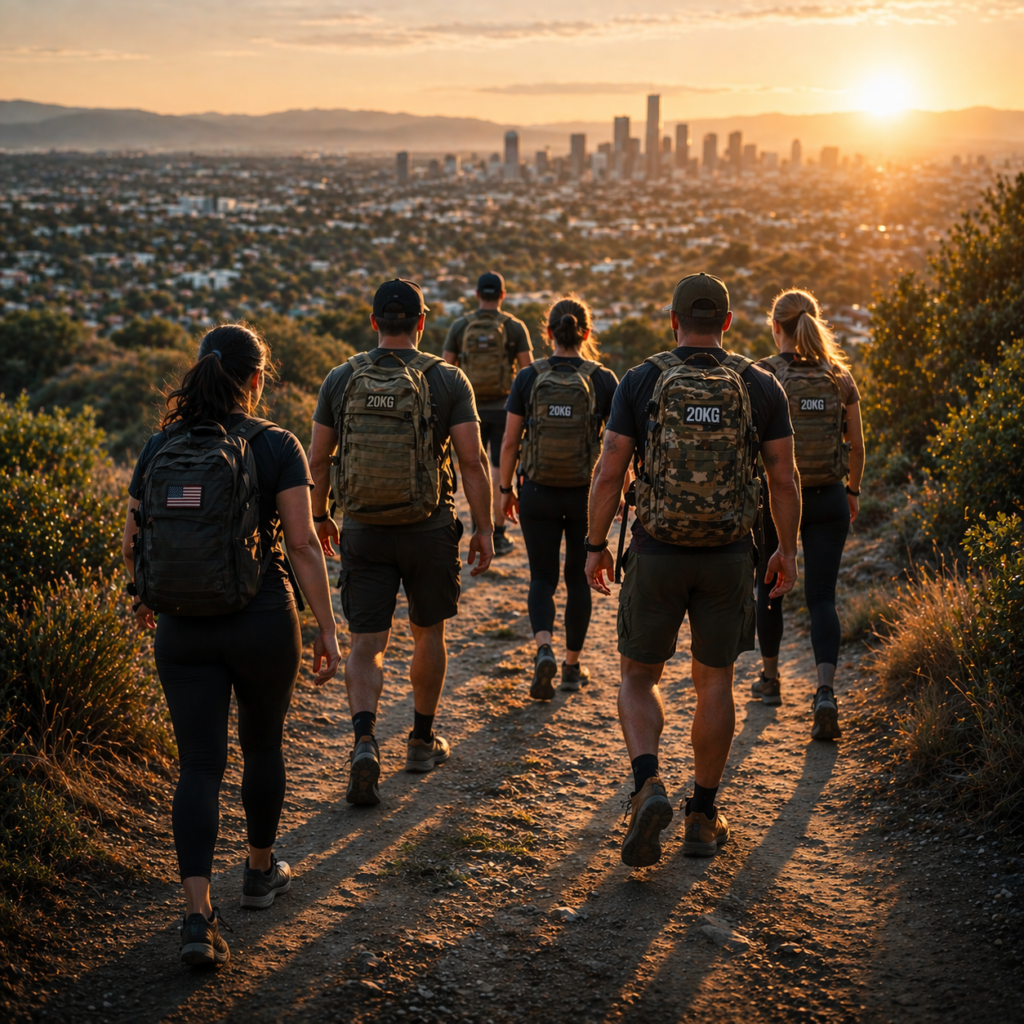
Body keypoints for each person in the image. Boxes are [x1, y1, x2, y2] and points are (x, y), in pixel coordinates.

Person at [121, 323, 341, 967]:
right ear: (256, 379)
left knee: (198, 766)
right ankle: (259, 872)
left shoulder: (160, 444)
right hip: (261, 619)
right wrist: (326, 627)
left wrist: (144, 594)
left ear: (199, 373)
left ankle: (196, 918)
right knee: (262, 745)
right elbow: (301, 544)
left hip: (182, 627)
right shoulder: (276, 444)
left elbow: (134, 534)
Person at [585, 273, 801, 868]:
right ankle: (703, 817)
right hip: (730, 556)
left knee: (637, 675)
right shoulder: (758, 384)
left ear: (673, 321)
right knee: (715, 682)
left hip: (655, 551)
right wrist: (787, 548)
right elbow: (783, 477)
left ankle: (649, 785)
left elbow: (609, 471)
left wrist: (595, 543)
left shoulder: (642, 380)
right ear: (727, 323)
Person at [309, 279, 494, 808]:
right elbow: (472, 461)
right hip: (428, 529)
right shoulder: (447, 379)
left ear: (374, 323)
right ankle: (419, 739)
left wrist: (322, 515)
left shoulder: (341, 378)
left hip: (363, 529)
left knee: (368, 642)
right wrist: (482, 528)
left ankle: (364, 740)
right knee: (426, 633)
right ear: (420, 323)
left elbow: (318, 460)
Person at [751, 289, 865, 740]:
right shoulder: (840, 376)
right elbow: (856, 444)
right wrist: (851, 491)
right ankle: (824, 692)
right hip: (829, 498)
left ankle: (771, 680)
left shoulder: (763, 374)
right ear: (814, 323)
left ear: (775, 326)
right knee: (822, 597)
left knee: (770, 586)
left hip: (777, 499)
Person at [498, 296, 619, 699]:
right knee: (577, 579)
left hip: (537, 491)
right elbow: (620, 448)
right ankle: (570, 666)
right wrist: (619, 494)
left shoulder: (528, 377)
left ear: (547, 332)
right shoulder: (602, 379)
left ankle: (544, 647)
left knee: (542, 577)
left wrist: (505, 491)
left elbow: (510, 440)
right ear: (586, 333)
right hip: (586, 494)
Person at [444, 271, 534, 557]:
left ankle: (476, 527)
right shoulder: (514, 327)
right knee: (497, 467)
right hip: (503, 409)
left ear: (477, 294)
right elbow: (527, 372)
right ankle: (497, 530)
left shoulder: (460, 326)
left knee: (473, 467)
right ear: (502, 295)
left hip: (467, 411)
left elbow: (447, 369)